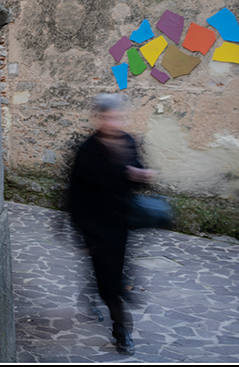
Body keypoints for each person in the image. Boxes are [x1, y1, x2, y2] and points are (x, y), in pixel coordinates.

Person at [68, 94, 155, 356]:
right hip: (95, 226)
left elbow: (136, 172)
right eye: (107, 117)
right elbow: (74, 196)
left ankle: (93, 294)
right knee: (110, 281)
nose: (112, 122)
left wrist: (141, 175)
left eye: (116, 117)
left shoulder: (128, 141)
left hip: (120, 224)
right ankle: (121, 330)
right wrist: (84, 235)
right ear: (99, 118)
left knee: (112, 273)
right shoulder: (87, 150)